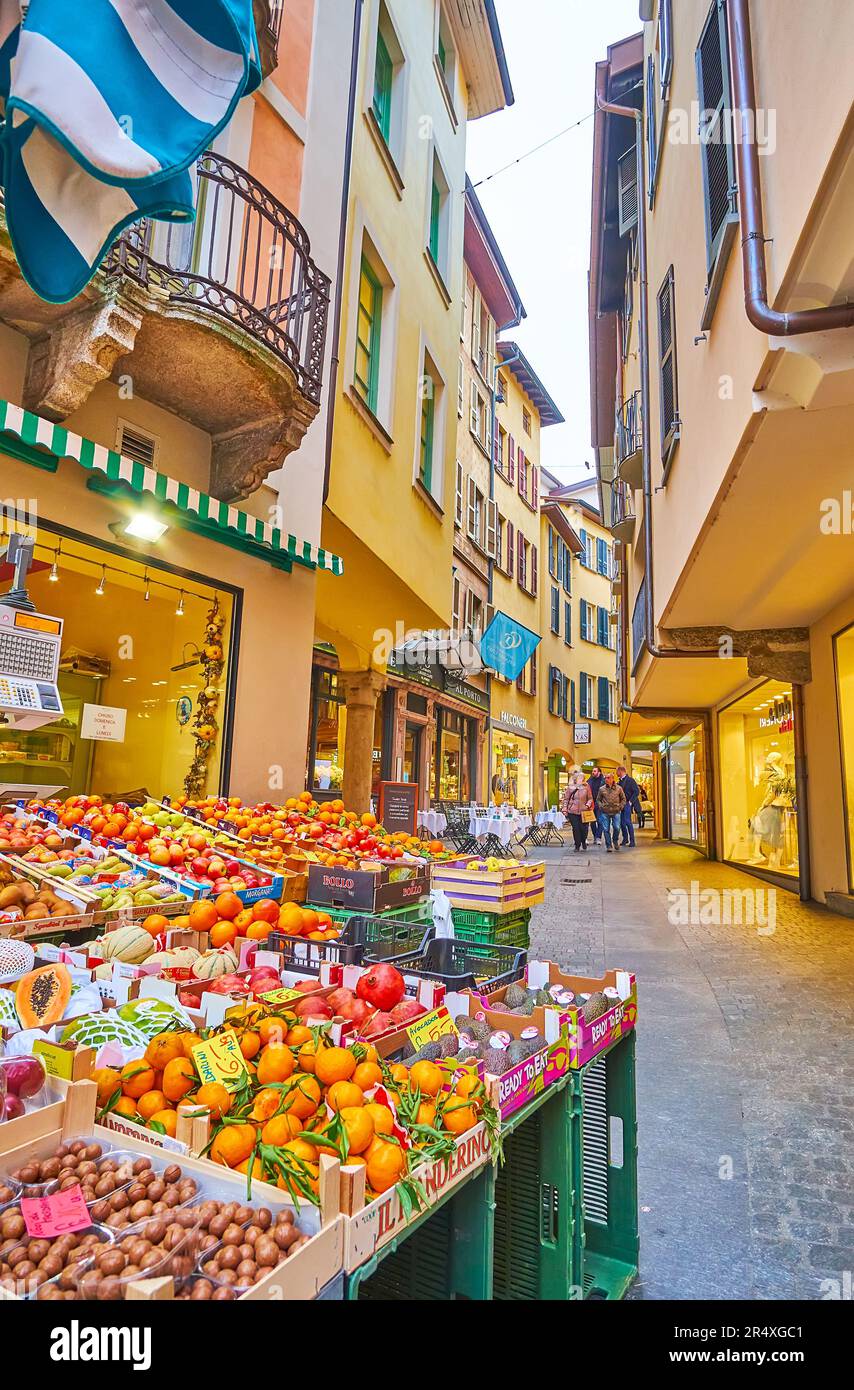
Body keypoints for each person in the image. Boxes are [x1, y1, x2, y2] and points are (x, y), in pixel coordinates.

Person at [561, 771, 595, 851]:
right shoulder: (571, 787)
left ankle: (583, 841)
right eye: (579, 778)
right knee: (575, 828)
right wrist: (565, 808)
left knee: (584, 829)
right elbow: (566, 799)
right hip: (572, 811)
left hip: (584, 811)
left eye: (582, 778)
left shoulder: (587, 787)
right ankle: (577, 845)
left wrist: (587, 805)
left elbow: (590, 798)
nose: (581, 779)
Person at [596, 772, 626, 852]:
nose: (606, 779)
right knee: (606, 829)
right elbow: (598, 799)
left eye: (608, 778)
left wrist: (620, 806)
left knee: (617, 827)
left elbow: (623, 799)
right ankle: (608, 845)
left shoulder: (619, 788)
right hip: (605, 812)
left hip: (616, 811)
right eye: (605, 778)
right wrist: (601, 806)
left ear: (613, 779)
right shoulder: (601, 789)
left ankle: (615, 840)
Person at [617, 765, 642, 847]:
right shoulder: (619, 781)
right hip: (621, 804)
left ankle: (632, 841)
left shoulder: (630, 780)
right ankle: (625, 839)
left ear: (621, 771)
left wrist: (631, 802)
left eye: (617, 771)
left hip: (627, 803)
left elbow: (636, 792)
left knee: (628, 822)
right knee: (622, 823)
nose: (616, 773)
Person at [587, 766, 605, 845]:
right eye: (592, 771)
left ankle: (598, 837)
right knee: (592, 821)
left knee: (600, 821)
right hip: (592, 803)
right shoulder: (590, 780)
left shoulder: (603, 780)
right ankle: (595, 836)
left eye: (594, 771)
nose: (593, 772)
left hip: (600, 803)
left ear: (599, 772)